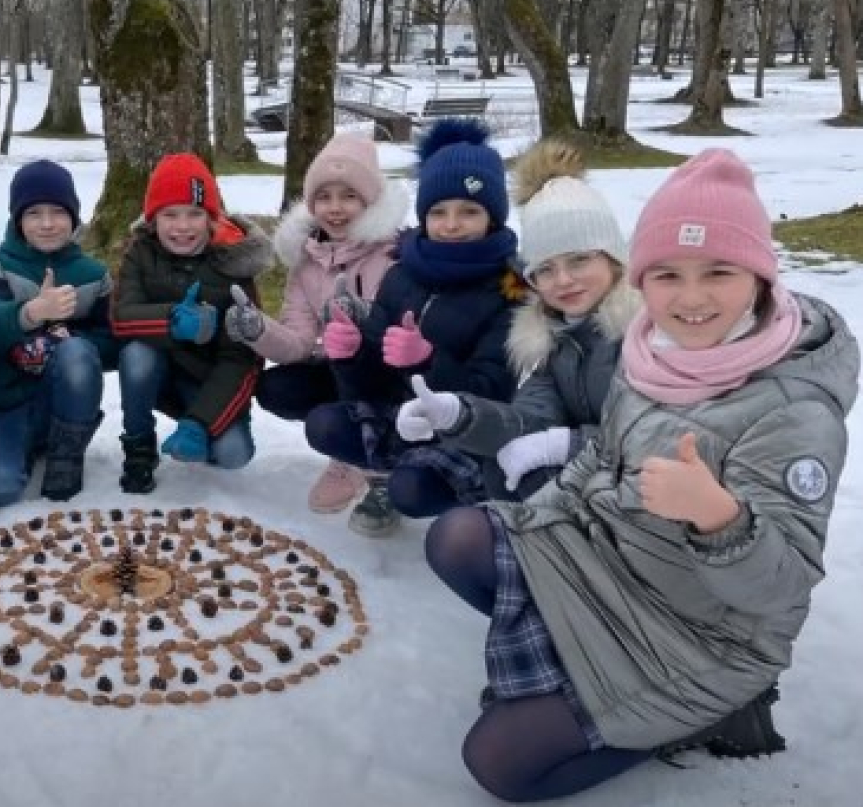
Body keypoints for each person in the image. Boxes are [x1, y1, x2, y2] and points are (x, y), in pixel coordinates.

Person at [424, 149, 857, 802]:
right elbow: (600, 460)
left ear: (762, 277)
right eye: (668, 275)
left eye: (718, 271)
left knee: (498, 762)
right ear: (643, 279)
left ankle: (696, 715)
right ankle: (571, 658)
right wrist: (523, 519)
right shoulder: (651, 348)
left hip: (702, 634)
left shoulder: (793, 409)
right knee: (459, 536)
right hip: (616, 564)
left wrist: (719, 519)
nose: (690, 298)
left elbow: (779, 590)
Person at [308, 118, 524, 535]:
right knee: (325, 422)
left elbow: (494, 390)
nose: (452, 224)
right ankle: (383, 476)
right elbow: (369, 386)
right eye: (439, 211)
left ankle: (473, 495)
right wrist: (350, 353)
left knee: (414, 490)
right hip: (398, 414)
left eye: (469, 211)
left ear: (493, 218)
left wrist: (427, 361)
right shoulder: (401, 274)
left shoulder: (509, 291)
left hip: (460, 431)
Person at [393, 138, 640, 501]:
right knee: (502, 469)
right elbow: (529, 419)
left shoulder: (644, 333)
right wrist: (456, 414)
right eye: (546, 269)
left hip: (657, 492)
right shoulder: (551, 337)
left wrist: (566, 444)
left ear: (613, 258)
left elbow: (659, 435)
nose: (564, 280)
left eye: (579, 260)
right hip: (595, 475)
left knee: (521, 479)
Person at [225, 131, 409, 513]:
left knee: (347, 348)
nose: (335, 208)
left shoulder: (395, 255)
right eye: (324, 197)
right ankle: (351, 447)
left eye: (349, 196)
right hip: (341, 372)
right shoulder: (307, 264)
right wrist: (258, 329)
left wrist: (363, 326)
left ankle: (380, 464)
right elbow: (299, 342)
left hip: (393, 378)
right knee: (278, 387)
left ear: (370, 201)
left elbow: (409, 332)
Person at [111, 152, 274, 494]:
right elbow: (121, 317)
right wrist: (172, 321)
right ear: (153, 220)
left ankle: (196, 428)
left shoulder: (233, 265)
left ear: (211, 218)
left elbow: (243, 359)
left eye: (194, 214)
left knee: (233, 454)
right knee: (136, 353)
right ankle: (139, 446)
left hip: (208, 381)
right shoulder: (139, 252)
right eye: (170, 215)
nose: (182, 226)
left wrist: (200, 423)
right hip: (160, 375)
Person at [0, 160, 120, 505]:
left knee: (77, 352)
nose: (48, 223)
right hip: (5, 402)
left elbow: (112, 341)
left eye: (58, 212)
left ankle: (66, 450)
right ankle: (21, 444)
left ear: (74, 217)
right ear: (18, 219)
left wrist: (67, 341)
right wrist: (32, 312)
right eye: (34, 213)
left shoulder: (93, 274)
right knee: (0, 491)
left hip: (63, 401)